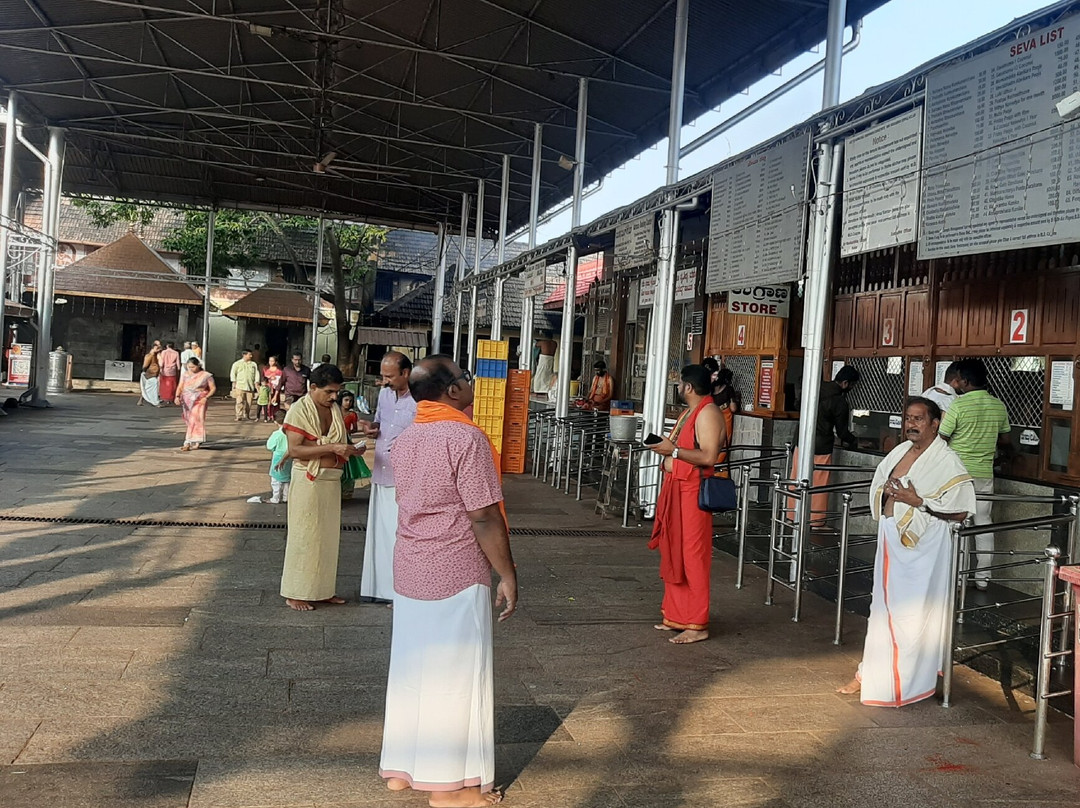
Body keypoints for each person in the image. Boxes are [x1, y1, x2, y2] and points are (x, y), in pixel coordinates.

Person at [379, 355, 516, 806]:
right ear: (453, 391)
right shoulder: (465, 437)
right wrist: (507, 572)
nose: (470, 383)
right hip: (456, 568)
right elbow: (482, 515)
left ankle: (401, 769)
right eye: (465, 377)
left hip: (412, 565)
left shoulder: (405, 439)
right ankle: (448, 788)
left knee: (412, 670)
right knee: (458, 675)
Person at [837, 397, 976, 706]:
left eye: (918, 419)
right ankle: (870, 674)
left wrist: (918, 502)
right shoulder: (900, 451)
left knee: (914, 615)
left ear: (935, 424)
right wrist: (887, 492)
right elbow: (882, 483)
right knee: (882, 611)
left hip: (925, 550)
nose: (911, 424)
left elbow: (961, 511)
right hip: (892, 540)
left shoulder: (947, 460)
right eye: (908, 418)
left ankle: (914, 682)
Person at [646, 365, 724, 645]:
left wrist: (674, 452)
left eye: (680, 384)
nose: (678, 388)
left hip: (693, 492)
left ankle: (697, 623)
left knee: (693, 556)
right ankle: (677, 615)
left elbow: (709, 457)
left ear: (688, 387)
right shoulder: (688, 412)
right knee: (674, 551)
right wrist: (667, 454)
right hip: (676, 487)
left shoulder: (709, 413)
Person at [279, 363, 365, 611]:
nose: (334, 397)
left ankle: (322, 590)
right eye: (328, 392)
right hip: (309, 478)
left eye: (336, 392)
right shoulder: (298, 410)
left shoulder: (336, 409)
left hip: (331, 480)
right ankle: (295, 592)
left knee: (327, 539)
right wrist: (332, 448)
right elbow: (295, 450)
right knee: (304, 536)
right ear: (313, 387)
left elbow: (341, 440)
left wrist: (351, 447)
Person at [938, 358, 1012, 590]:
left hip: (958, 475)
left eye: (958, 378)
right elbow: (1007, 441)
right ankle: (983, 578)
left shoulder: (957, 406)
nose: (956, 382)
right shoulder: (998, 405)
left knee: (959, 524)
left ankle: (958, 578)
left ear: (966, 381)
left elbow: (941, 438)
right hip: (984, 475)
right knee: (983, 522)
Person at [360, 352, 417, 603]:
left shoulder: (420, 399)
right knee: (379, 533)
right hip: (381, 471)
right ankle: (378, 588)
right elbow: (379, 423)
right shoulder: (383, 394)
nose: (385, 381)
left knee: (399, 534)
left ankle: (400, 590)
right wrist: (371, 430)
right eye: (383, 376)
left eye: (390, 376)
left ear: (406, 373)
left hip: (406, 477)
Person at [790, 365, 861, 526]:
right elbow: (842, 433)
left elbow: (797, 405)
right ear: (845, 383)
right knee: (819, 485)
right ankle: (815, 521)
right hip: (821, 447)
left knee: (796, 479)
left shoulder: (814, 388)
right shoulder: (839, 401)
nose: (851, 388)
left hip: (801, 442)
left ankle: (793, 515)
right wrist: (854, 441)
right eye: (852, 385)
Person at [702, 358, 740, 474]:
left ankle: (708, 464)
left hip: (711, 418)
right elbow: (733, 408)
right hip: (725, 418)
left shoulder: (710, 389)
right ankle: (717, 466)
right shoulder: (729, 390)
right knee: (723, 444)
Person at [174, 357, 216, 451]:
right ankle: (197, 440)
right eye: (189, 367)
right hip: (187, 399)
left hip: (199, 399)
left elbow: (213, 388)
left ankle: (187, 442)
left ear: (198, 365)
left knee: (195, 419)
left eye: (193, 367)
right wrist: (177, 396)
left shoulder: (206, 375)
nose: (191, 369)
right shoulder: (185, 375)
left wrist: (206, 397)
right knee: (189, 420)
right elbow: (180, 386)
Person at [264, 411, 292, 504]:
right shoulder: (291, 433)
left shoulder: (276, 434)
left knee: (276, 479)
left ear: (275, 421)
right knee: (287, 479)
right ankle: (286, 497)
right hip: (290, 457)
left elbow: (270, 446)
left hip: (278, 457)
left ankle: (275, 497)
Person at [339, 390, 361, 501]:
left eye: (350, 401)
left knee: (348, 466)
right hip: (336, 440)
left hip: (347, 440)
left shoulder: (352, 415)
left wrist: (348, 432)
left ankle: (347, 492)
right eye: (346, 400)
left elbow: (355, 428)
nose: (348, 403)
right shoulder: (335, 411)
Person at [230, 349, 260, 421]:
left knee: (249, 403)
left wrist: (256, 382)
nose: (251, 356)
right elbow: (233, 373)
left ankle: (246, 415)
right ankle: (239, 415)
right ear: (244, 355)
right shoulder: (237, 364)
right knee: (239, 401)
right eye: (249, 354)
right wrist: (234, 382)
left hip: (250, 387)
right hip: (240, 386)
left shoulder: (253, 364)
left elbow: (256, 374)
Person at [138, 341, 163, 407]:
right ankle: (156, 402)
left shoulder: (156, 355)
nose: (159, 349)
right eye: (158, 347)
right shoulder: (149, 356)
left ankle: (142, 401)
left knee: (147, 388)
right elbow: (145, 366)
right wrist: (144, 372)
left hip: (154, 373)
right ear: (154, 347)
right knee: (153, 388)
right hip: (150, 374)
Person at [263, 355, 284, 421]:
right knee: (266, 401)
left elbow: (280, 380)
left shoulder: (279, 371)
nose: (271, 362)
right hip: (267, 388)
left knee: (275, 401)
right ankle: (267, 415)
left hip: (275, 388)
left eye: (272, 361)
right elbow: (263, 378)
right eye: (270, 361)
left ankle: (274, 415)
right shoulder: (265, 369)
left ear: (276, 362)